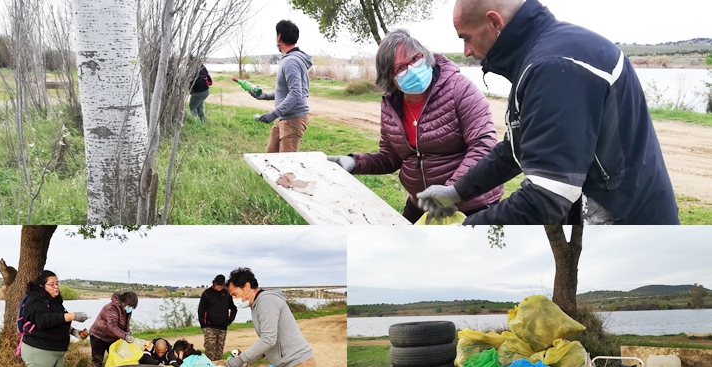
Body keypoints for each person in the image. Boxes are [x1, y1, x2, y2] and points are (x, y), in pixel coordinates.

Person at [417, 0, 680, 225]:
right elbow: (515, 150)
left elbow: (546, 199)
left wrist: (464, 232)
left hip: (628, 222)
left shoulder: (553, 67)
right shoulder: (543, 53)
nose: (467, 51)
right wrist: (456, 191)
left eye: (466, 37)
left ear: (494, 23)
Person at [327, 29, 502, 223]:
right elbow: (391, 157)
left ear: (425, 56)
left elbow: (484, 145)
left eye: (415, 59)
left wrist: (455, 192)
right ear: (390, 78)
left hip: (472, 204)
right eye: (400, 68)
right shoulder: (391, 105)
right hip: (422, 204)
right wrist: (355, 162)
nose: (412, 69)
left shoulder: (460, 89)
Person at [250, 20, 312, 153]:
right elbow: (287, 91)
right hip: (283, 117)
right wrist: (265, 96)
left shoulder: (291, 61)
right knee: (270, 158)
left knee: (287, 165)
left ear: (279, 37)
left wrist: (273, 114)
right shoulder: (291, 59)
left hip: (293, 118)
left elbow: (296, 93)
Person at [88, 291, 138, 367]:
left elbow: (126, 324)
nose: (131, 308)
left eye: (133, 307)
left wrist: (128, 333)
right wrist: (124, 336)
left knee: (118, 359)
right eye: (130, 306)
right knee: (97, 363)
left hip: (112, 338)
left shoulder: (127, 310)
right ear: (124, 302)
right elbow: (112, 327)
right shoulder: (111, 308)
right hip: (98, 336)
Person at [198, 274, 237, 362]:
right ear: (214, 283)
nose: (219, 287)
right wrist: (203, 325)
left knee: (219, 352)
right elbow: (201, 310)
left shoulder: (227, 293)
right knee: (210, 352)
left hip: (223, 327)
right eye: (217, 285)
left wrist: (230, 320)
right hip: (209, 326)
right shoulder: (207, 293)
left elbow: (234, 308)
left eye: (221, 285)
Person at [189, 56, 212, 122]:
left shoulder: (195, 69)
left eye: (188, 60)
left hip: (198, 92)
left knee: (192, 107)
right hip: (205, 91)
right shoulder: (201, 67)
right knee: (199, 107)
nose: (187, 62)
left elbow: (196, 81)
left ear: (192, 61)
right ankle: (203, 121)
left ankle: (194, 122)